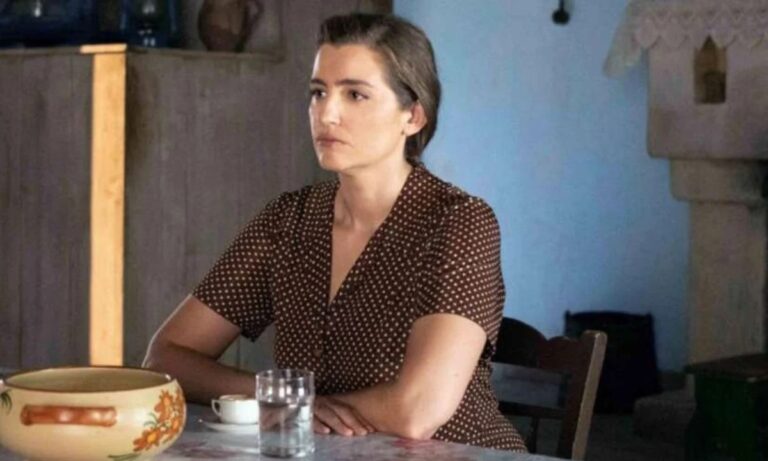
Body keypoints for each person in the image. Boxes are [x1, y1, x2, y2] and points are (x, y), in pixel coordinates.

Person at [143, 13, 526, 452]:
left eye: (355, 94)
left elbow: (417, 411)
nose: (327, 113)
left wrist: (294, 408)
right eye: (318, 92)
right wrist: (285, 402)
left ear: (413, 116)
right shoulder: (288, 220)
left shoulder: (458, 223)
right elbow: (164, 359)